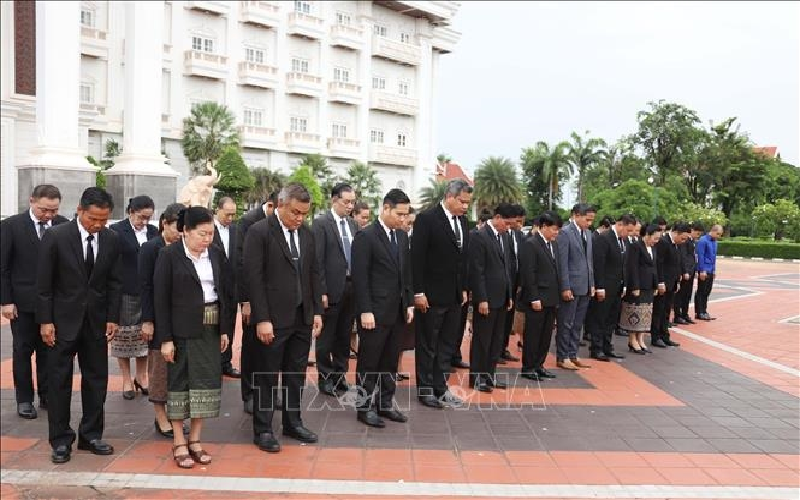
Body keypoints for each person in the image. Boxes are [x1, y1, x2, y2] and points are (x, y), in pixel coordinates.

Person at [37, 187, 122, 464]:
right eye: (93, 219)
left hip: (96, 323)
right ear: (80, 210)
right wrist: (46, 321)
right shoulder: (56, 236)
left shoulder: (111, 239)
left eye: (103, 219)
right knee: (59, 382)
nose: (98, 225)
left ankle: (91, 435)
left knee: (97, 380)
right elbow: (44, 285)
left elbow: (113, 282)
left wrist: (112, 316)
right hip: (61, 323)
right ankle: (61, 440)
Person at [244, 183, 323, 453]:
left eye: (304, 213)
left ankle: (293, 422)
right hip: (273, 319)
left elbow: (314, 274)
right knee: (267, 375)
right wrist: (262, 318)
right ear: (280, 204)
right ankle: (263, 429)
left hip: (302, 317)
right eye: (295, 212)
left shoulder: (308, 234)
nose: (299, 218)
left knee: (295, 375)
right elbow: (253, 279)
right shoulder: (260, 232)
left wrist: (316, 313)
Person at [155, 207, 235, 469]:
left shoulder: (215, 254)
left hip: (210, 330)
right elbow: (161, 300)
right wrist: (165, 339)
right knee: (179, 384)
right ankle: (179, 440)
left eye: (211, 233)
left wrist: (224, 330)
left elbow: (225, 293)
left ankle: (196, 439)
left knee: (206, 384)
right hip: (181, 332)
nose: (207, 239)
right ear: (185, 232)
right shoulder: (169, 256)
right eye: (202, 234)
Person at [1, 185, 69, 419]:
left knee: (48, 350)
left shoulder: (63, 224)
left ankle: (47, 395)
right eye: (43, 210)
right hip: (22, 303)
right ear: (31, 201)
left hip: (53, 302)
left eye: (53, 210)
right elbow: (3, 267)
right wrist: (6, 301)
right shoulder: (11, 226)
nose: (48, 215)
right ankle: (24, 399)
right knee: (22, 350)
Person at [352, 189, 414, 427]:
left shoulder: (402, 237)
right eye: (399, 214)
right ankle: (364, 407)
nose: (403, 219)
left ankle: (385, 404)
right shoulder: (366, 237)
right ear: (385, 208)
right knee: (369, 362)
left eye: (406, 215)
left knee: (389, 361)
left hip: (397, 310)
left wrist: (408, 303)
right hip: (374, 313)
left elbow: (406, 273)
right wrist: (365, 310)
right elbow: (360, 278)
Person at [411, 179, 473, 408]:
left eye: (468, 203)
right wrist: (418, 292)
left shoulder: (464, 222)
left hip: (455, 296)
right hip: (430, 296)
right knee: (428, 344)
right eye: (462, 201)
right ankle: (425, 390)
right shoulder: (427, 219)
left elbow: (463, 258)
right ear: (449, 196)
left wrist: (464, 288)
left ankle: (441, 386)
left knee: (447, 345)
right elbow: (416, 259)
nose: (466, 206)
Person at [139, 203, 185, 438]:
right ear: (164, 224)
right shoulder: (151, 248)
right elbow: (145, 286)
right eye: (177, 227)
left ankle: (175, 413)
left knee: (177, 368)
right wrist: (147, 320)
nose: (180, 233)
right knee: (158, 369)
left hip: (180, 317)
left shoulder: (185, 248)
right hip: (157, 318)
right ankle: (160, 417)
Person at [109, 196, 158, 400]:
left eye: (148, 217)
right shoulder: (117, 231)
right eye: (141, 217)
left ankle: (141, 376)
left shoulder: (153, 232)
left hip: (148, 290)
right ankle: (127, 379)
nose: (144, 221)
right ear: (131, 212)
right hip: (125, 291)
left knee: (144, 336)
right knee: (124, 336)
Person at [313, 183, 358, 397]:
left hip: (351, 288)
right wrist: (321, 290)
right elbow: (317, 261)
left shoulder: (353, 225)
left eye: (352, 202)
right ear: (334, 200)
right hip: (330, 290)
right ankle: (325, 378)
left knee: (344, 336)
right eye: (346, 202)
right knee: (326, 338)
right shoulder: (321, 223)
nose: (350, 206)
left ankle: (340, 376)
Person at [236, 191, 278, 414]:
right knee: (252, 347)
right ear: (270, 205)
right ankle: (249, 393)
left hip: (274, 298)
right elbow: (243, 265)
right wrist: (246, 300)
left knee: (271, 349)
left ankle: (268, 393)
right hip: (252, 298)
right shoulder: (249, 222)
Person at [468, 204, 514, 393]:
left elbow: (507, 268)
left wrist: (509, 294)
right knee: (482, 340)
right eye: (507, 223)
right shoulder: (479, 236)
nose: (509, 227)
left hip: (502, 298)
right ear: (498, 218)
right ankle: (477, 378)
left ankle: (490, 376)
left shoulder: (504, 237)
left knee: (496, 340)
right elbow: (477, 270)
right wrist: (482, 299)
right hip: (487, 298)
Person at [518, 211, 562, 380]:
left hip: (551, 297)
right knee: (533, 334)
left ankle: (539, 365)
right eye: (554, 229)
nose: (556, 233)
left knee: (545, 335)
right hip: (537, 298)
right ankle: (528, 367)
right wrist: (534, 297)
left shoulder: (554, 245)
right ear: (543, 227)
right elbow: (529, 273)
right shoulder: (531, 244)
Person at [586, 214, 635, 361]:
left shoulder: (624, 241)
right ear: (620, 225)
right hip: (605, 286)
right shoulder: (604, 238)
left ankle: (607, 346)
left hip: (618, 286)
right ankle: (596, 348)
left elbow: (624, 264)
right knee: (600, 317)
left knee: (611, 319)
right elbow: (599, 264)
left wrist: (625, 284)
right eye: (629, 229)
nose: (630, 233)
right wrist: (599, 286)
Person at [555, 203, 596, 370]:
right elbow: (562, 263)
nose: (590, 223)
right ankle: (562, 356)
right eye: (587, 219)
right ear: (577, 215)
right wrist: (565, 287)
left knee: (578, 323)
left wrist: (591, 283)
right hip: (571, 285)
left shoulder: (588, 233)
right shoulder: (565, 233)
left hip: (585, 285)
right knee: (566, 323)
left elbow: (589, 262)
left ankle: (573, 353)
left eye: (592, 220)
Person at [621, 224, 661, 354]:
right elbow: (632, 267)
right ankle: (632, 340)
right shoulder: (636, 246)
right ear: (647, 235)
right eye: (655, 238)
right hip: (639, 286)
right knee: (635, 312)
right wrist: (635, 286)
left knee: (646, 313)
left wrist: (656, 284)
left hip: (649, 285)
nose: (656, 241)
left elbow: (654, 267)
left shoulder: (653, 249)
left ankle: (641, 339)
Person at [212, 196, 241, 378]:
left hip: (232, 287)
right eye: (227, 214)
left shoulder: (237, 231)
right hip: (214, 287)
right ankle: (212, 363)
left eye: (233, 215)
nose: (230, 218)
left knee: (229, 325)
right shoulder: (208, 230)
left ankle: (226, 362)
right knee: (213, 326)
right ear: (218, 210)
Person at [651, 222, 689, 348]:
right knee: (659, 311)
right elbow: (659, 264)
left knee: (667, 311)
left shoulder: (677, 245)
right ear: (676, 233)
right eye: (682, 238)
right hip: (663, 283)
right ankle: (656, 337)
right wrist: (660, 282)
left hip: (672, 283)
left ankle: (665, 335)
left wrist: (677, 282)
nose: (683, 241)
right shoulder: (663, 242)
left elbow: (676, 263)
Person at [499, 204, 524, 364]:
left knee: (508, 319)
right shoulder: (502, 235)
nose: (520, 224)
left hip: (515, 283)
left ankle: (504, 348)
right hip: (502, 284)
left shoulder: (519, 235)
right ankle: (496, 351)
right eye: (518, 220)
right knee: (499, 320)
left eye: (522, 221)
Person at [673, 223, 703, 325]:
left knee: (687, 294)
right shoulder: (684, 240)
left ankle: (685, 314)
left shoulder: (691, 241)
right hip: (685, 271)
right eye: (697, 233)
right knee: (680, 295)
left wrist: (693, 270)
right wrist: (685, 271)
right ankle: (678, 315)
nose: (698, 236)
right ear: (693, 230)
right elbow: (683, 256)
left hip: (691, 270)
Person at [695, 224, 722, 321]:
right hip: (704, 269)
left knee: (707, 291)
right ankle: (699, 312)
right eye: (718, 234)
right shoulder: (703, 240)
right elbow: (700, 256)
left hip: (710, 269)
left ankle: (704, 310)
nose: (719, 236)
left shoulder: (715, 242)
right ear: (713, 231)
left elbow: (714, 257)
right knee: (701, 291)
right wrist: (701, 270)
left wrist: (714, 270)